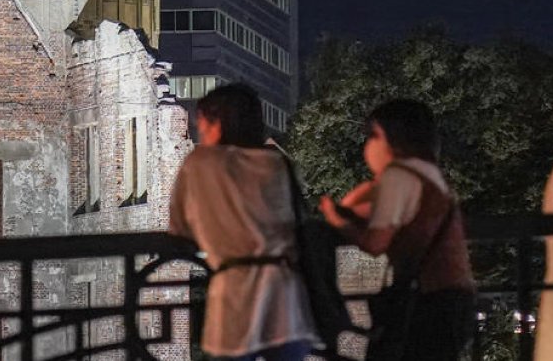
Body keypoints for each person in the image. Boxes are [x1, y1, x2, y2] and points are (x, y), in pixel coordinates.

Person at [168, 84, 318, 361]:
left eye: (201, 123)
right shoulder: (276, 162)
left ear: (216, 123)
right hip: (286, 295)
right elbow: (300, 220)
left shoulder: (199, 163)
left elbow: (178, 229)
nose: (200, 132)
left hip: (234, 294)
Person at [319, 99, 475, 361]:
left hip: (427, 302)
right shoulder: (430, 174)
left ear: (394, 137)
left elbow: (374, 244)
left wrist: (338, 220)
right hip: (456, 299)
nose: (368, 146)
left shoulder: (398, 176)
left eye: (373, 135)